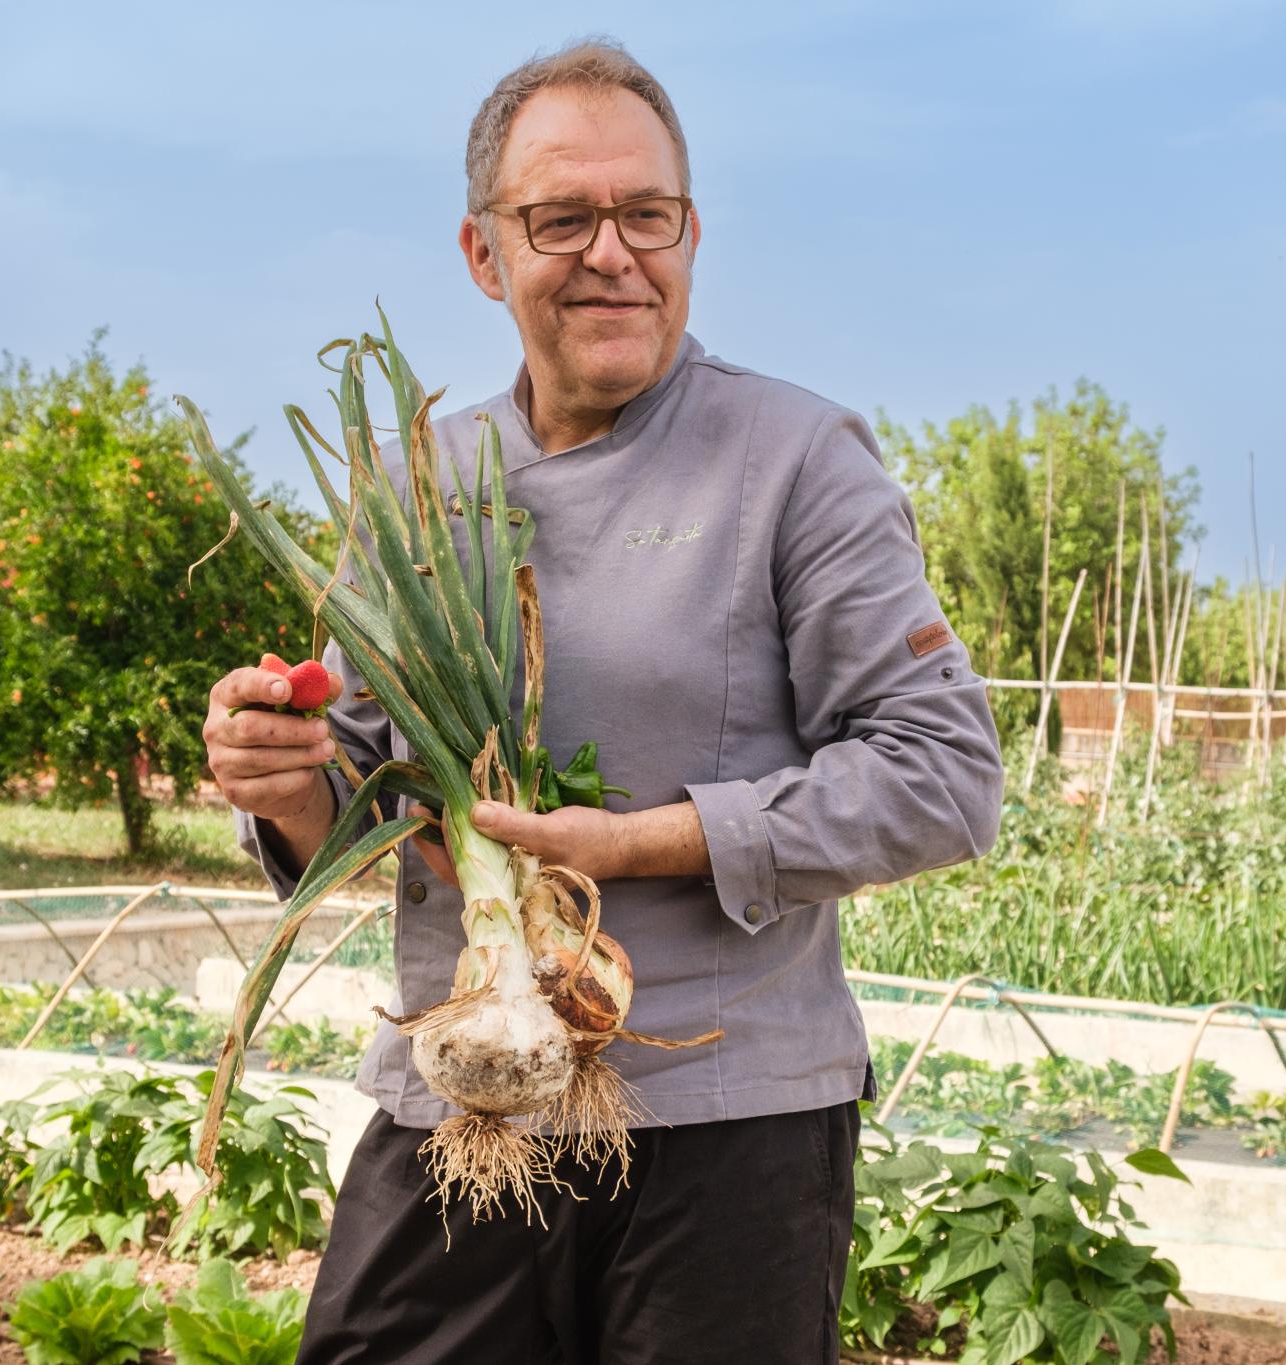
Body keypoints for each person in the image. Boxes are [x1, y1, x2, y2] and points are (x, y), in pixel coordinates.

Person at [202, 37, 1003, 1365]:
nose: (613, 254)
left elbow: (943, 777)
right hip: (467, 1091)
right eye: (562, 219)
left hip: (724, 1120)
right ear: (485, 253)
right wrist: (283, 783)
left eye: (648, 214)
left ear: (692, 233)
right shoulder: (421, 481)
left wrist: (641, 842)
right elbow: (355, 794)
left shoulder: (796, 460)